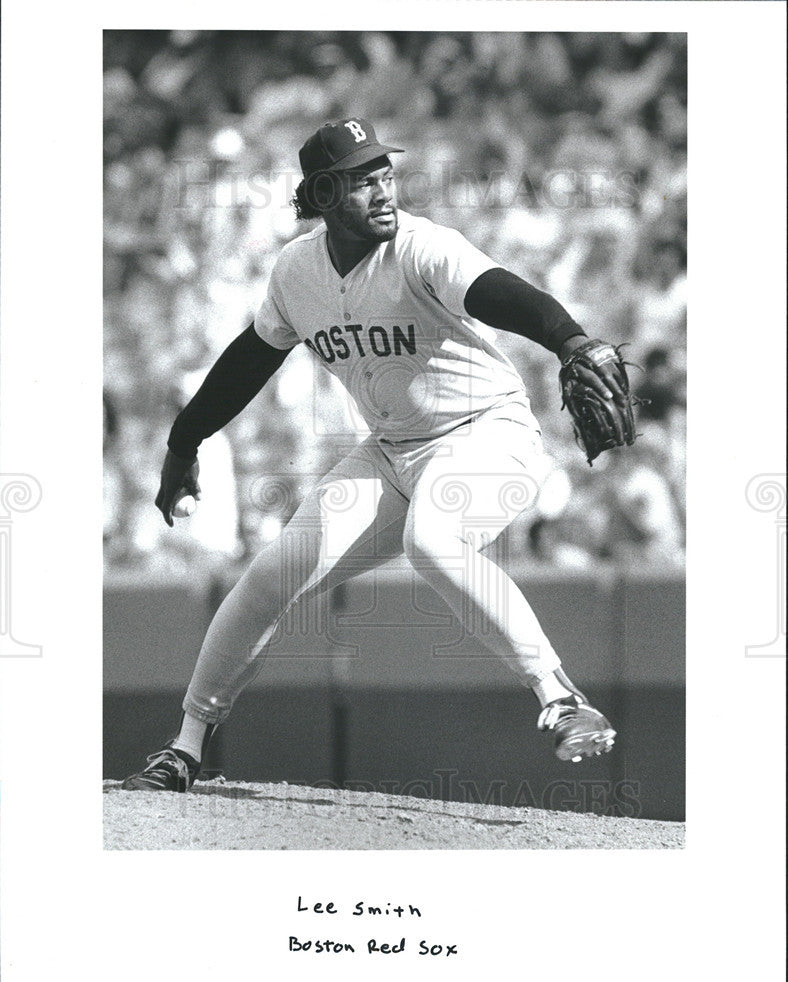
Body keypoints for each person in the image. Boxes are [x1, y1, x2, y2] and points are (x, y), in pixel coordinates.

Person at [122, 116, 618, 792]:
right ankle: (185, 747)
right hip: (391, 453)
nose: (384, 191)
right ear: (323, 195)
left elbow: (500, 291)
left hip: (488, 435)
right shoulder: (298, 270)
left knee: (435, 540)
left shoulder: (422, 248)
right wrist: (185, 441)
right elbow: (249, 360)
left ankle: (560, 697)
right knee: (274, 574)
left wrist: (570, 340)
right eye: (362, 181)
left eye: (385, 174)